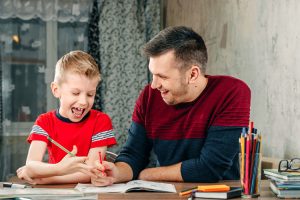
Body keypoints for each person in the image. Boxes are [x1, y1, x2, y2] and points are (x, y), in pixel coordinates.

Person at [91, 26, 251, 186]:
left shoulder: (232, 92)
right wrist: (116, 173)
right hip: (166, 193)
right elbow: (133, 155)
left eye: (162, 76)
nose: (153, 85)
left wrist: (147, 174)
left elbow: (208, 168)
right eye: (153, 75)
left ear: (192, 74)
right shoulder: (149, 97)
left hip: (215, 194)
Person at [17, 50, 117, 185]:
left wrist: (47, 178)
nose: (83, 101)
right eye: (75, 93)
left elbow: (90, 173)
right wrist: (60, 168)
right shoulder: (44, 122)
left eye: (90, 94)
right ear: (56, 90)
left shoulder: (101, 121)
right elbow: (31, 165)